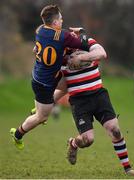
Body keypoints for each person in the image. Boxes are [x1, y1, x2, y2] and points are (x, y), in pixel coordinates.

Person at [53, 35, 134, 176]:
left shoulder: (86, 43)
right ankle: (73, 144)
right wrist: (46, 102)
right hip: (79, 101)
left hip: (99, 95)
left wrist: (82, 58)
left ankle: (127, 169)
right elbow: (61, 85)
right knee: (88, 140)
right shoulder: (59, 55)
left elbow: (102, 53)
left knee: (115, 130)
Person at [10, 5, 92, 150]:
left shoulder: (41, 31)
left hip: (45, 75)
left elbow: (48, 45)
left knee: (69, 85)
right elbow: (85, 44)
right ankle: (17, 134)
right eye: (60, 19)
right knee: (41, 118)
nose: (62, 20)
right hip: (44, 84)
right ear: (54, 23)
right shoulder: (63, 36)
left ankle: (40, 107)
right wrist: (82, 31)